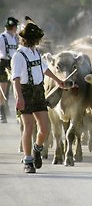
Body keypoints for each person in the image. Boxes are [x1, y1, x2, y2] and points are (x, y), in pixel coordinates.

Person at [11, 17, 65, 173]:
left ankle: (37, 148)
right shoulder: (19, 56)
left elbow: (45, 69)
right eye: (36, 39)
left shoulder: (36, 53)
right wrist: (19, 98)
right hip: (25, 92)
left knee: (45, 129)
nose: (37, 41)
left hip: (39, 91)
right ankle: (28, 161)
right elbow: (15, 79)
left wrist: (58, 81)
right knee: (28, 126)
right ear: (28, 39)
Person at [0, 17, 19, 123]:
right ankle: (2, 112)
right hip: (4, 63)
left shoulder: (15, 38)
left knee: (17, 89)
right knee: (3, 89)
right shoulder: (2, 37)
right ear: (14, 27)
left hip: (14, 63)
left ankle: (18, 113)